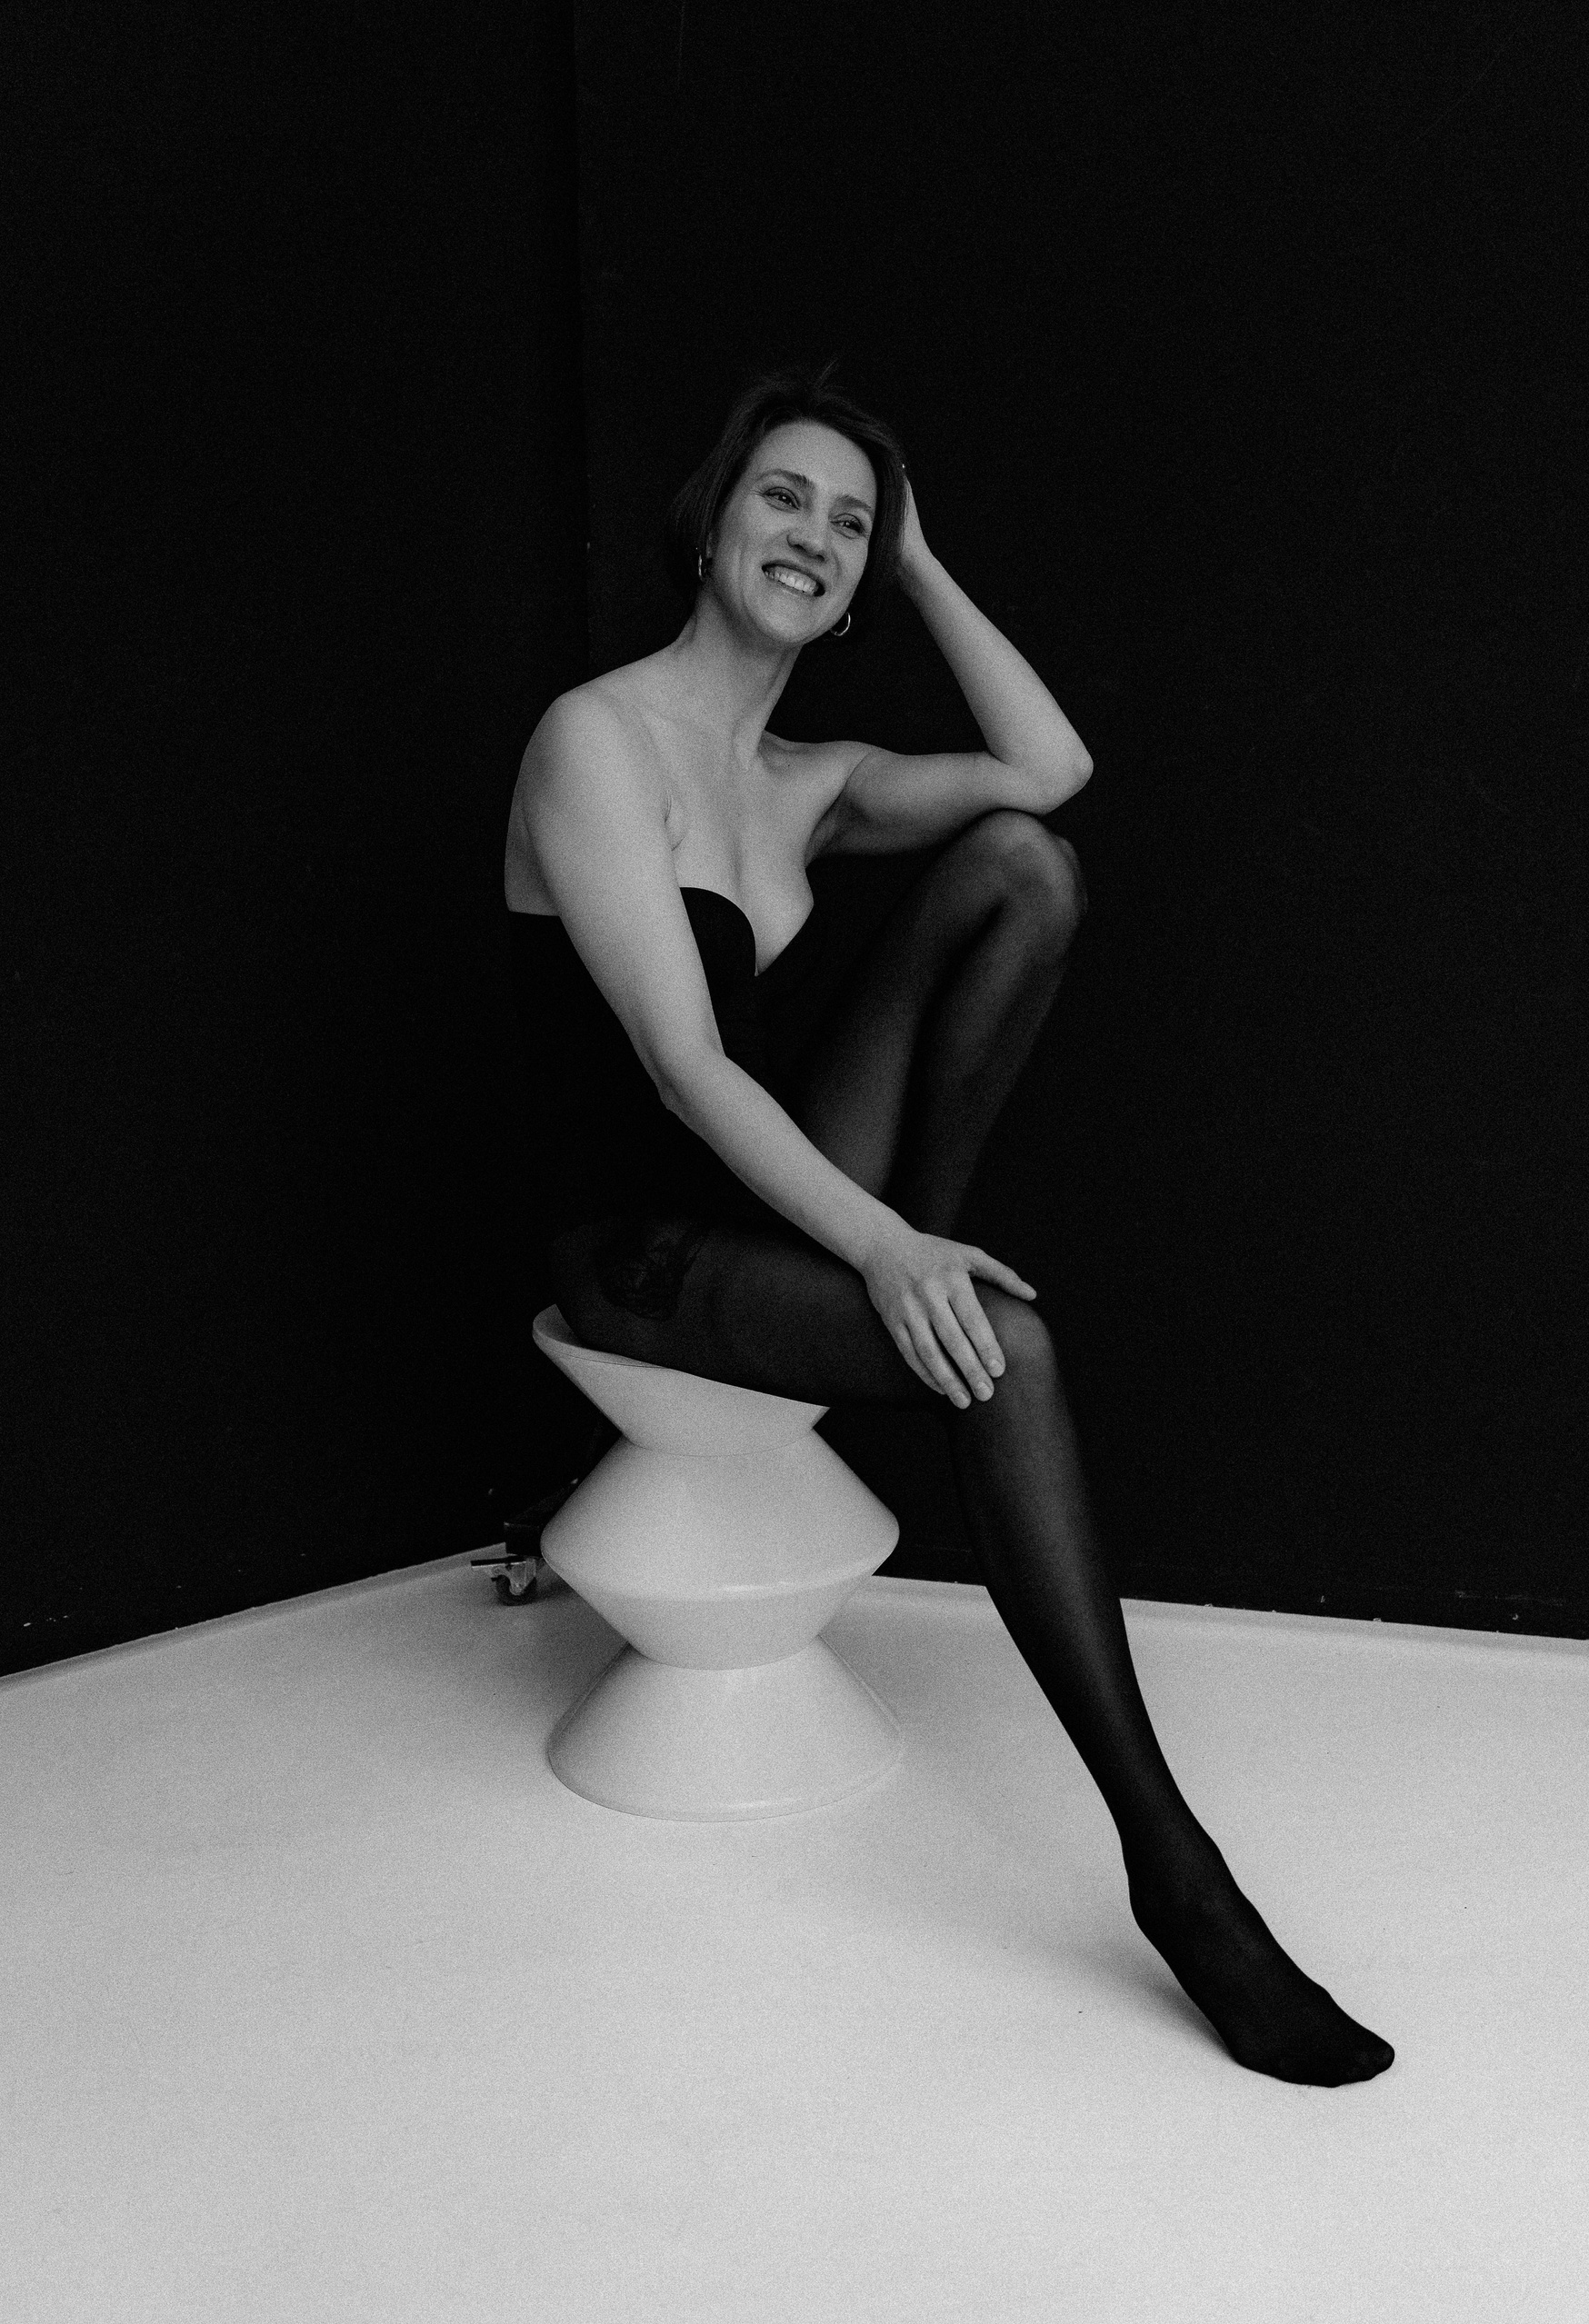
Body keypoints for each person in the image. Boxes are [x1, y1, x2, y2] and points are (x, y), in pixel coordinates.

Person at [505, 364, 1393, 2087]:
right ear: (711, 517)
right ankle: (1176, 1874)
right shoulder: (593, 740)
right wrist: (890, 1251)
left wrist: (915, 558)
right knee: (1016, 1352)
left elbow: (1051, 769)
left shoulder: (809, 776)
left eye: (848, 523)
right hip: (634, 1249)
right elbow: (684, 1070)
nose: (813, 536)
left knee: (1024, 869)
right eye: (783, 496)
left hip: (768, 1200)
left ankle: (908, 1280)